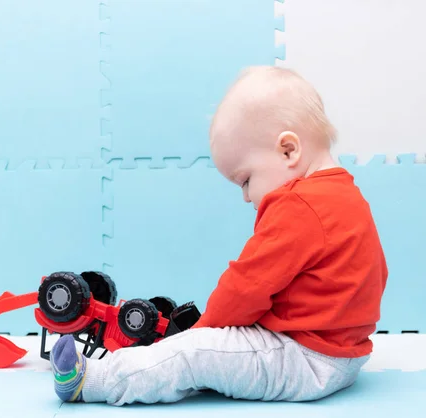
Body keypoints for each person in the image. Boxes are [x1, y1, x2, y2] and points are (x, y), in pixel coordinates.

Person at [48, 66, 388, 406]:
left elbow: (246, 287)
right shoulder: (346, 195)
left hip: (304, 359)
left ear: (288, 151)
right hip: (347, 356)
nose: (245, 197)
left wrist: (205, 331)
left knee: (192, 354)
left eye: (245, 180)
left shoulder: (298, 203)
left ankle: (92, 381)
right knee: (214, 357)